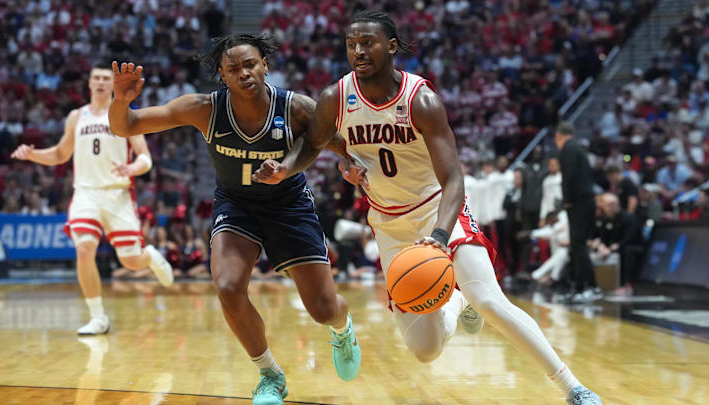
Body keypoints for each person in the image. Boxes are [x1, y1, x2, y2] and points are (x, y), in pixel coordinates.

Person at [253, 11, 601, 404]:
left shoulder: (422, 100)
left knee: (491, 300)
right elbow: (313, 144)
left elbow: (454, 179)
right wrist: (284, 168)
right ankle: (456, 298)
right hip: (389, 223)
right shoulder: (337, 97)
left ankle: (573, 387)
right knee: (425, 349)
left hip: (439, 210)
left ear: (392, 47)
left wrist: (438, 237)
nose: (359, 51)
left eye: (368, 43)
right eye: (352, 45)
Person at [107, 34, 360, 405]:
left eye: (250, 65)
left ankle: (343, 328)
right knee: (227, 286)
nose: (243, 73)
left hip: (288, 205)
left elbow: (340, 144)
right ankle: (270, 375)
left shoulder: (296, 107)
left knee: (323, 310)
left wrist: (351, 165)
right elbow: (125, 126)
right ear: (222, 76)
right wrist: (120, 100)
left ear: (265, 65)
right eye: (233, 69)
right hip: (236, 204)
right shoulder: (204, 109)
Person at [10, 62, 174, 335]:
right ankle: (98, 317)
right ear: (89, 83)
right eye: (95, 78)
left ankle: (149, 256)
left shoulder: (125, 114)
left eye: (104, 78)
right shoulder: (77, 116)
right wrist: (33, 154)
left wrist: (132, 168)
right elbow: (61, 154)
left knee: (130, 262)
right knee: (84, 249)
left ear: (112, 84)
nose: (99, 82)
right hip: (86, 194)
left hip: (118, 194)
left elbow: (145, 157)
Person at [555, 122, 602, 303]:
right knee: (577, 245)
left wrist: (566, 199)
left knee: (578, 243)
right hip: (585, 200)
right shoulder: (577, 148)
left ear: (559, 135)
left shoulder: (569, 149)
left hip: (578, 202)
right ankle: (580, 286)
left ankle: (592, 287)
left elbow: (569, 176)